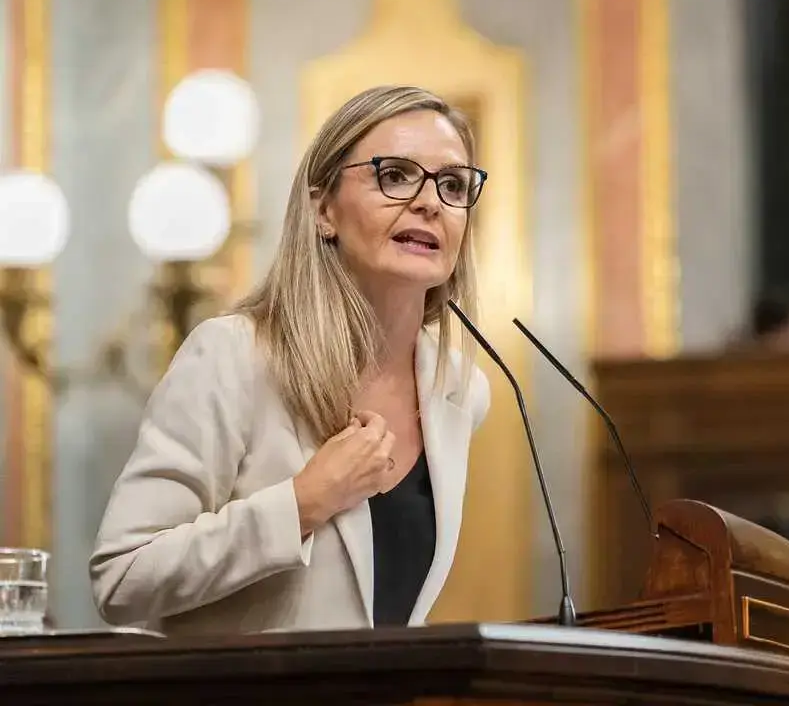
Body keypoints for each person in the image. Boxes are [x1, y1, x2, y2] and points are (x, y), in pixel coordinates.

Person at [89, 85, 491, 635]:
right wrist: (303, 503)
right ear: (322, 209)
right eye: (395, 175)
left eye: (452, 184)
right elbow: (122, 577)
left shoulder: (460, 389)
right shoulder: (234, 356)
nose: (429, 202)